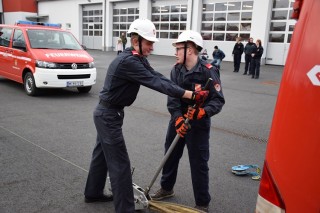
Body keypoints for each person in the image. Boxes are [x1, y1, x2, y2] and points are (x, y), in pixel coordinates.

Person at [83, 19, 209, 213]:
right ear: (135, 41)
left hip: (109, 113)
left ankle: (93, 192)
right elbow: (155, 82)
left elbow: (157, 76)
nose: (152, 46)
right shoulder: (128, 62)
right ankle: (126, 209)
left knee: (101, 155)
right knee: (120, 164)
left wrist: (181, 90)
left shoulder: (137, 58)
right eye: (149, 42)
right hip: (108, 115)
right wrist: (190, 94)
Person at [151, 30, 225, 213]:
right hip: (178, 121)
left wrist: (203, 112)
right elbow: (173, 98)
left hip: (198, 124)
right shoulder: (176, 70)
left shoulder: (209, 71)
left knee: (199, 162)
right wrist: (177, 119)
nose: (175, 53)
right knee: (170, 154)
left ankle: (202, 202)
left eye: (178, 49)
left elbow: (218, 100)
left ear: (189, 49)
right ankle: (166, 188)